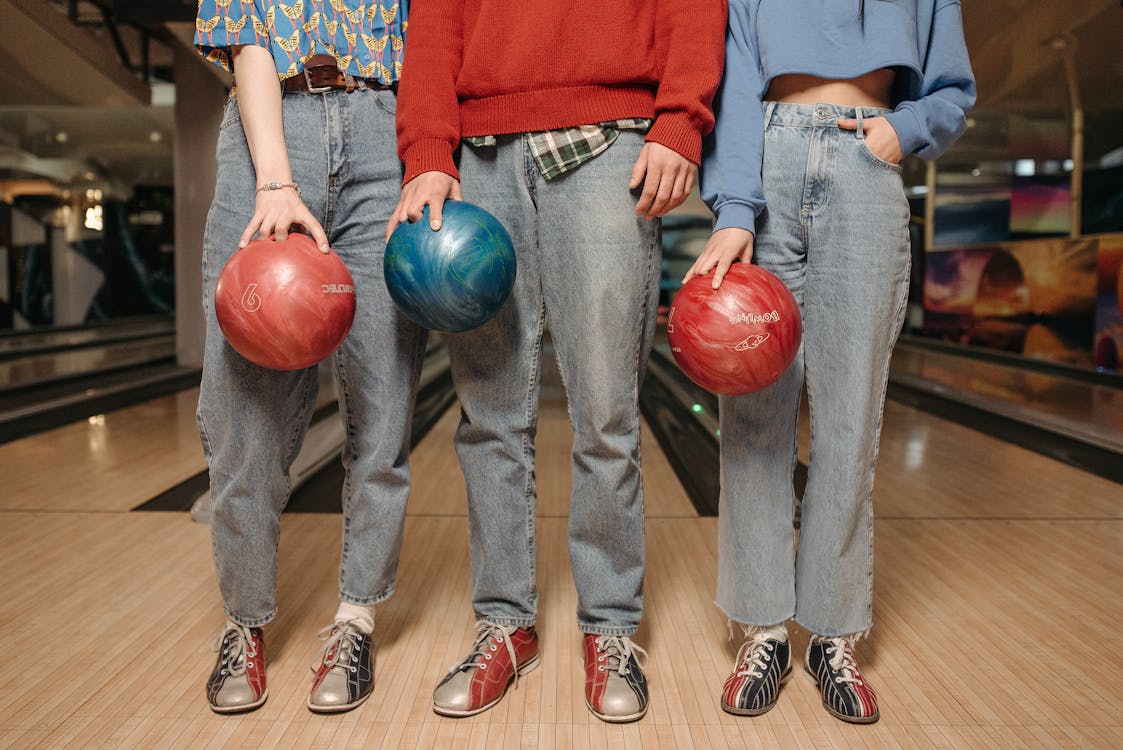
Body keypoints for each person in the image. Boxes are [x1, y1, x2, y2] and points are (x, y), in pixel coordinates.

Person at [388, 0, 727, 723]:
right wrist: (425, 152)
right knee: (490, 419)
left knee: (606, 415)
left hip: (607, 145)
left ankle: (610, 629)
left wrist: (680, 117)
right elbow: (434, 24)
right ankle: (505, 625)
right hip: (479, 160)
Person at [688, 0, 975, 724]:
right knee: (754, 420)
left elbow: (950, 92)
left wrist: (899, 132)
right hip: (769, 164)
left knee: (849, 423)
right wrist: (734, 212)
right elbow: (736, 88)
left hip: (865, 165)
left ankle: (833, 635)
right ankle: (761, 630)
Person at [193, 0, 426, 714]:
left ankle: (356, 617)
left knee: (382, 405)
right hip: (272, 124)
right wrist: (275, 180)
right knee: (245, 417)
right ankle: (245, 621)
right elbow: (248, 34)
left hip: (385, 134)